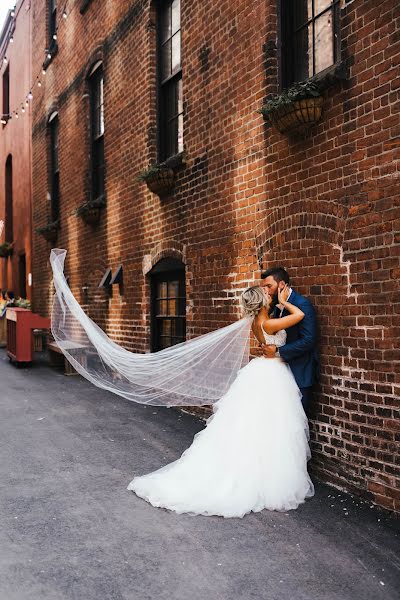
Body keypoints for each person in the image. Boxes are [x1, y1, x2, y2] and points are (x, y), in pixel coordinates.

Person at [128, 285, 314, 518]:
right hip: (273, 374)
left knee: (257, 425)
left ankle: (257, 469)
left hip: (264, 370)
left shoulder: (258, 322)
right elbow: (300, 316)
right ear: (262, 302)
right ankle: (265, 474)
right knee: (272, 425)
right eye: (267, 294)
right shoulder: (268, 323)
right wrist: (286, 302)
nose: (270, 294)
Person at [260, 267, 319, 411]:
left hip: (300, 370)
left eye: (269, 286)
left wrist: (278, 351)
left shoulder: (301, 304)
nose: (266, 291)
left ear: (281, 285)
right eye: (264, 287)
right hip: (281, 372)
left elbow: (309, 340)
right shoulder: (273, 305)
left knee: (298, 418)